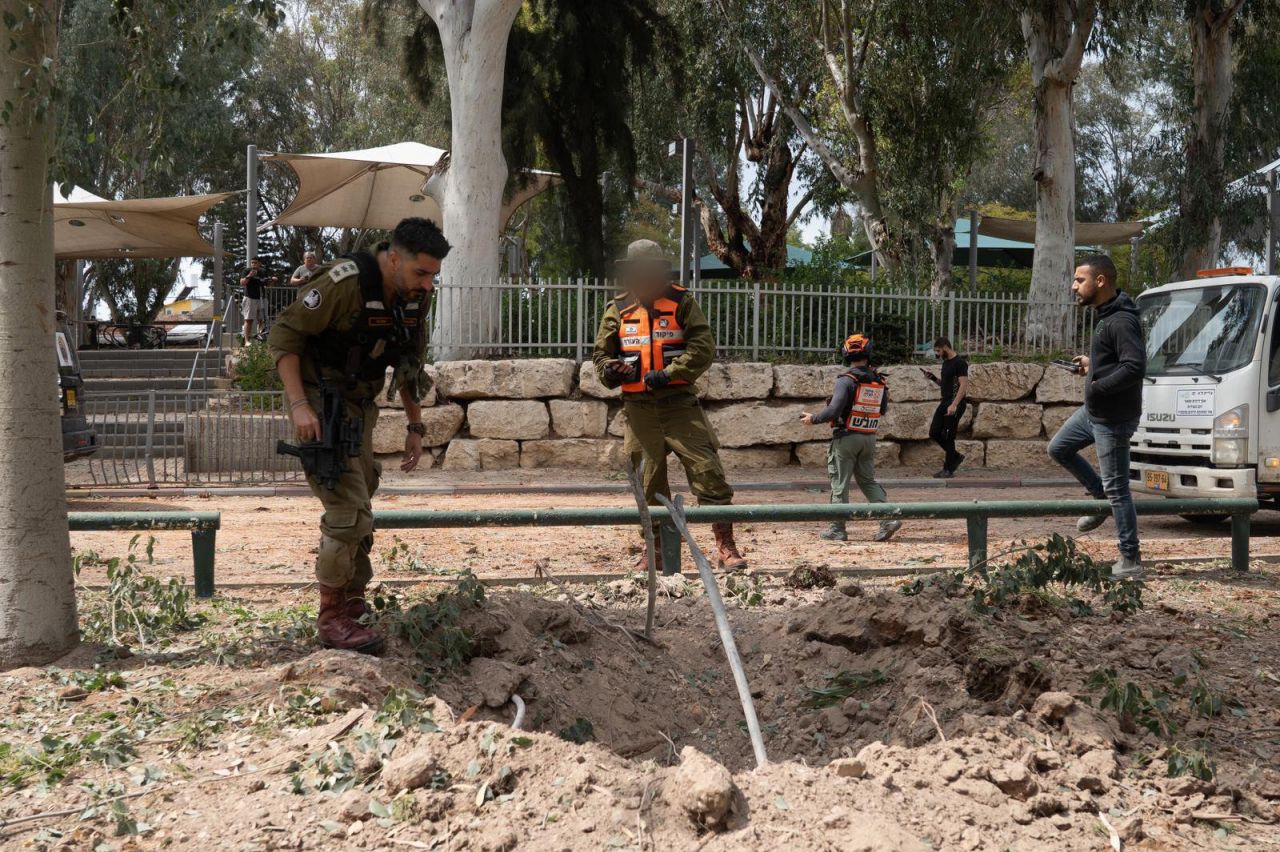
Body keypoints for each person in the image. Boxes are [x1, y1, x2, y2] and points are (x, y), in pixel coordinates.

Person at [267, 217, 448, 653]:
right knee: (348, 510)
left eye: (433, 275)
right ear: (392, 258)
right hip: (320, 401)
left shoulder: (414, 298)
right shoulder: (343, 283)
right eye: (420, 272)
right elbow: (283, 338)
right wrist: (299, 406)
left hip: (359, 407)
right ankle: (331, 619)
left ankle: (352, 604)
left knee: (364, 494)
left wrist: (415, 426)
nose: (426, 284)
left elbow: (408, 365)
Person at [592, 239, 747, 573]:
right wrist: (611, 369)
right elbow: (601, 356)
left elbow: (703, 348)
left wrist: (669, 374)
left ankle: (725, 546)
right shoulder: (617, 309)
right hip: (638, 409)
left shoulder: (682, 303)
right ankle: (656, 550)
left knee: (708, 472)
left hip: (679, 405)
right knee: (648, 481)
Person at [1047, 254, 1147, 579]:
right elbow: (1117, 360)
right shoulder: (1106, 314)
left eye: (1080, 280)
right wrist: (1093, 366)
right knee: (1058, 448)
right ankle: (1098, 493)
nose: (1074, 286)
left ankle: (1130, 560)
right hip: (1093, 412)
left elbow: (1134, 366)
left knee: (1120, 488)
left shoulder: (1120, 321)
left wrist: (1099, 384)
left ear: (1100, 281)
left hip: (1112, 420)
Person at [801, 334, 901, 543]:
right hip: (868, 438)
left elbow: (834, 410)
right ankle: (887, 519)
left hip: (846, 439)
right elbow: (882, 409)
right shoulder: (879, 381)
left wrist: (813, 419)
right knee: (867, 481)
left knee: (840, 484)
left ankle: (837, 529)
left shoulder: (846, 380)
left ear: (847, 353)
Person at [923, 337, 970, 478]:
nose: (937, 353)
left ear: (945, 347)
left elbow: (963, 385)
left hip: (955, 403)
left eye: (938, 350)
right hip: (945, 402)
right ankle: (955, 456)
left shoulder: (960, 363)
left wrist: (954, 404)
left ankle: (948, 469)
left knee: (948, 436)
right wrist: (932, 378)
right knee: (934, 432)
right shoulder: (946, 362)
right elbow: (945, 384)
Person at [240, 258, 277, 342]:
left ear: (259, 263)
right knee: (248, 320)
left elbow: (268, 285)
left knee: (262, 319)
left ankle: (261, 339)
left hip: (262, 298)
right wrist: (249, 276)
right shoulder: (246, 271)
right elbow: (242, 283)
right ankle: (247, 341)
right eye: (252, 262)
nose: (253, 264)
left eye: (255, 263)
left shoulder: (263, 272)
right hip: (250, 298)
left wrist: (272, 280)